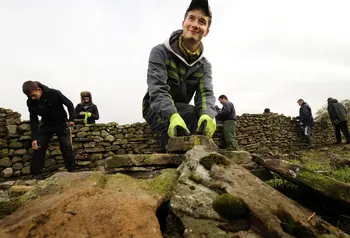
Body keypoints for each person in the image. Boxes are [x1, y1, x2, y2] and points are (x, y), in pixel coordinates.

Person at [142, 0, 217, 152]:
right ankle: (171, 159)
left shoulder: (204, 66)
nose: (195, 24)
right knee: (181, 122)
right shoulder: (160, 52)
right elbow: (158, 89)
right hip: (154, 107)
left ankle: (198, 160)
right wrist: (171, 115)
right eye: (192, 18)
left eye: (202, 22)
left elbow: (205, 93)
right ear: (183, 22)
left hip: (183, 109)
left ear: (207, 31)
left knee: (198, 117)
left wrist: (208, 115)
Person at [22, 81, 79, 177]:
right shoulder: (30, 102)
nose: (33, 98)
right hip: (46, 124)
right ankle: (35, 174)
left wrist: (72, 119)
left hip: (61, 123)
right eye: (30, 96)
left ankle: (72, 169)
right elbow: (34, 120)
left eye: (34, 95)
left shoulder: (54, 93)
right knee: (38, 146)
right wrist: (34, 138)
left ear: (39, 90)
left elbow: (69, 104)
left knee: (66, 146)